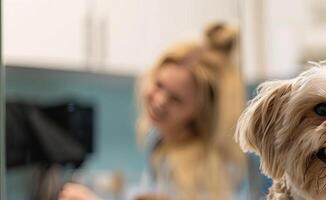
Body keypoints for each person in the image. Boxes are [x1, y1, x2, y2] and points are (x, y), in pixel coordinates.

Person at [59, 22, 248, 200]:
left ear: (199, 112)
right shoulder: (161, 147)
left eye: (176, 99)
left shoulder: (207, 170)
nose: (159, 101)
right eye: (159, 85)